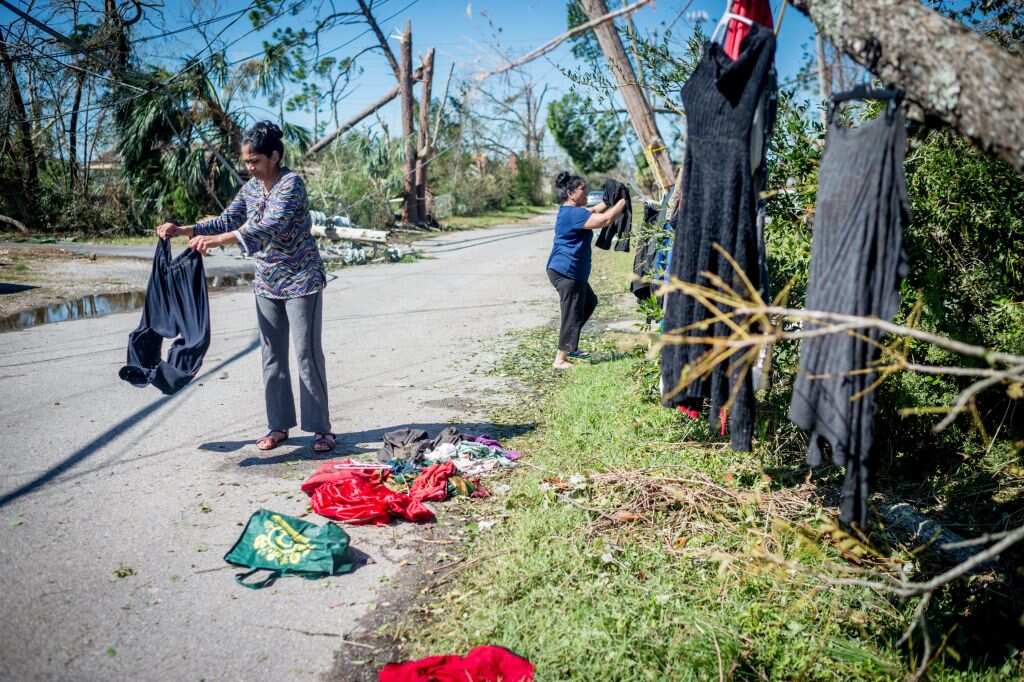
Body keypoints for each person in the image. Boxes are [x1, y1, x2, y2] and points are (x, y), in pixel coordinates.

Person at [155, 121, 335, 453]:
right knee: (272, 357)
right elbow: (227, 218)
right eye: (247, 162)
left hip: (301, 280)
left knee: (306, 354)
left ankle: (320, 429)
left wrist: (222, 240)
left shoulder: (291, 184)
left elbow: (271, 225)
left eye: (256, 161)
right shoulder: (251, 188)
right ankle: (278, 426)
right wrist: (184, 229)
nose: (250, 168)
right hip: (267, 281)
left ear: (275, 156)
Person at [546, 171, 628, 370]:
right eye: (583, 190)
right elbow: (604, 220)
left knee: (589, 302)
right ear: (571, 193)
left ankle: (570, 346)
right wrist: (623, 202)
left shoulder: (573, 211)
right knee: (571, 313)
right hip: (566, 271)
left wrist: (610, 199)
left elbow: (596, 210)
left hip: (572, 272)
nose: (587, 192)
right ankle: (560, 359)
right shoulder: (573, 214)